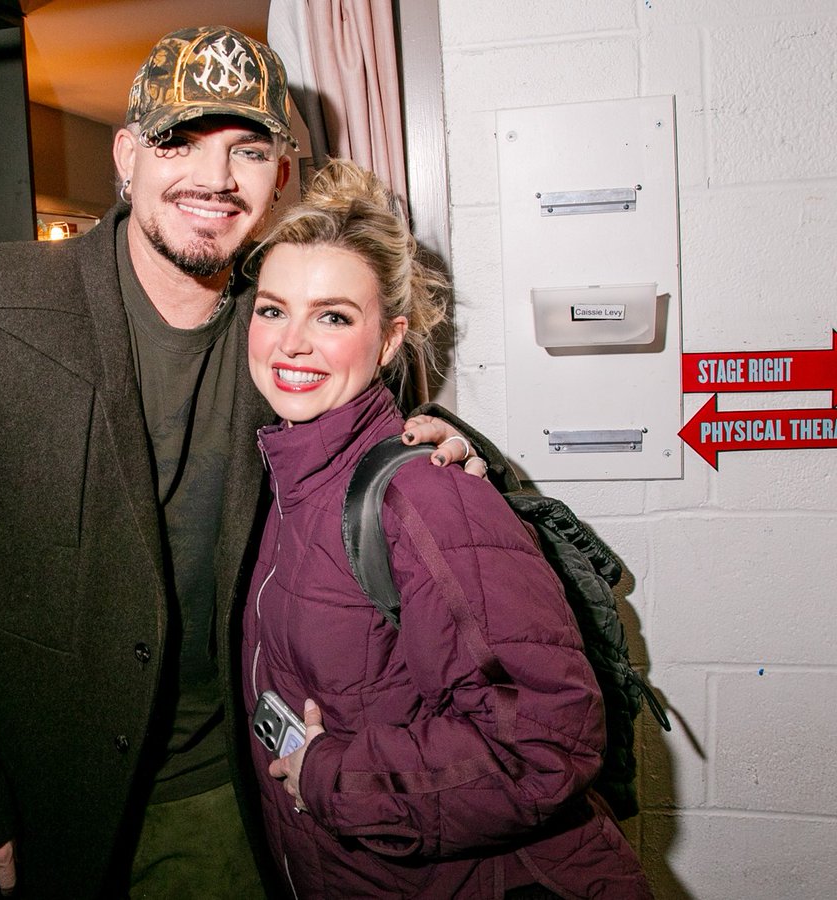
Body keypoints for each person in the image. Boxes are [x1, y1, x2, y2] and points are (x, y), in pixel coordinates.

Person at [0, 27, 476, 897]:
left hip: (220, 786)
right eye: (178, 141)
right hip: (40, 790)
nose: (215, 178)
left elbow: (369, 402)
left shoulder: (281, 324)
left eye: (248, 150)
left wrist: (453, 441)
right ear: (127, 156)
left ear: (280, 178)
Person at [241, 159, 653, 898]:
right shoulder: (288, 477)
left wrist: (332, 777)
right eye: (273, 310)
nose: (291, 343)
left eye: (332, 316)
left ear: (391, 339)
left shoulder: (427, 495)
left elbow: (548, 740)